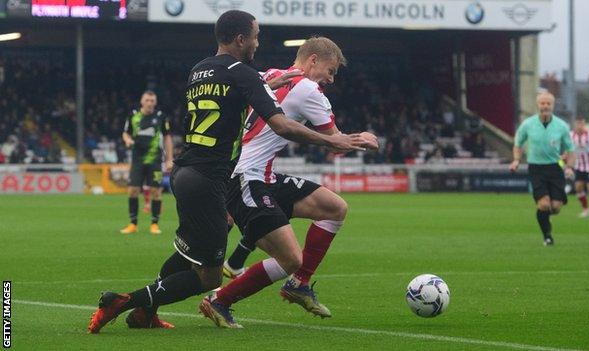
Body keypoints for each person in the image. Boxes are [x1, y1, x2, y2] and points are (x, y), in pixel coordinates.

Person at [88, 10, 366, 333]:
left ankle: (145, 314)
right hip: (210, 178)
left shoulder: (199, 70)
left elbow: (234, 99)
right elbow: (281, 124)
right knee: (209, 275)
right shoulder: (244, 73)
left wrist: (268, 84)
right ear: (240, 39)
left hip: (185, 170)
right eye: (256, 37)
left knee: (187, 255)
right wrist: (336, 140)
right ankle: (123, 301)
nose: (257, 44)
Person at [215, 37, 379, 320]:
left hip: (259, 175)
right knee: (290, 258)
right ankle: (219, 301)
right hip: (246, 178)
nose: (330, 79)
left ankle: (299, 284)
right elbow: (336, 142)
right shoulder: (308, 90)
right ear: (313, 60)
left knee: (334, 208)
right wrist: (364, 139)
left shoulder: (272, 74)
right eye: (330, 71)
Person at [510, 92, 575, 246]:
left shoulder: (562, 126)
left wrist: (570, 167)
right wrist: (516, 160)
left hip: (554, 168)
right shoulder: (528, 124)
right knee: (544, 205)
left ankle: (545, 218)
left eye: (548, 103)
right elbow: (518, 144)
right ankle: (547, 236)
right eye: (542, 103)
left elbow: (570, 150)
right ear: (537, 105)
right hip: (536, 168)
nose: (545, 106)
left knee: (556, 207)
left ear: (553, 105)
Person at [119, 91, 173, 235]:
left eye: (152, 100)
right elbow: (125, 132)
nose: (150, 103)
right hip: (137, 159)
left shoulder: (161, 117)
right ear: (142, 101)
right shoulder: (133, 115)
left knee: (156, 191)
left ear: (155, 102)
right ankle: (133, 224)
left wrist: (169, 159)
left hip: (155, 159)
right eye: (147, 100)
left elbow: (167, 138)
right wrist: (127, 140)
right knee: (132, 190)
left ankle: (154, 224)